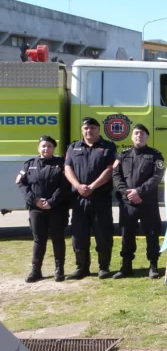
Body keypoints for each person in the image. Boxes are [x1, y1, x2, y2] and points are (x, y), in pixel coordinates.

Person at [64, 117, 117, 280]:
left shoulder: (108, 147)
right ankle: (82, 268)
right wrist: (78, 186)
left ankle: (104, 267)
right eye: (86, 128)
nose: (89, 131)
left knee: (103, 234)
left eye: (92, 128)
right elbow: (67, 168)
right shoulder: (73, 147)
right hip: (79, 200)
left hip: (100, 198)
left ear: (98, 130)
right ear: (82, 130)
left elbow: (109, 170)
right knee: (79, 236)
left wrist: (92, 186)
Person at [112, 124, 165, 279]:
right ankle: (126, 266)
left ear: (147, 137)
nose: (139, 136)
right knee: (126, 235)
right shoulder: (123, 155)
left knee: (152, 234)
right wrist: (128, 193)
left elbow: (157, 176)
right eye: (136, 133)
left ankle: (153, 265)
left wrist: (138, 191)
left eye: (142, 134)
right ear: (132, 136)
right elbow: (116, 175)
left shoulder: (156, 155)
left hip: (148, 203)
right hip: (128, 203)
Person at [16, 135, 69, 283]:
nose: (46, 149)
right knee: (39, 240)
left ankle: (59, 270)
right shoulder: (29, 164)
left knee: (58, 239)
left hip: (56, 208)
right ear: (38, 148)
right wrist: (35, 200)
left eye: (49, 146)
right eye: (43, 146)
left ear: (53, 149)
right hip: (36, 209)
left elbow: (65, 185)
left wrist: (52, 201)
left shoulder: (61, 164)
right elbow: (21, 184)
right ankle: (36, 270)